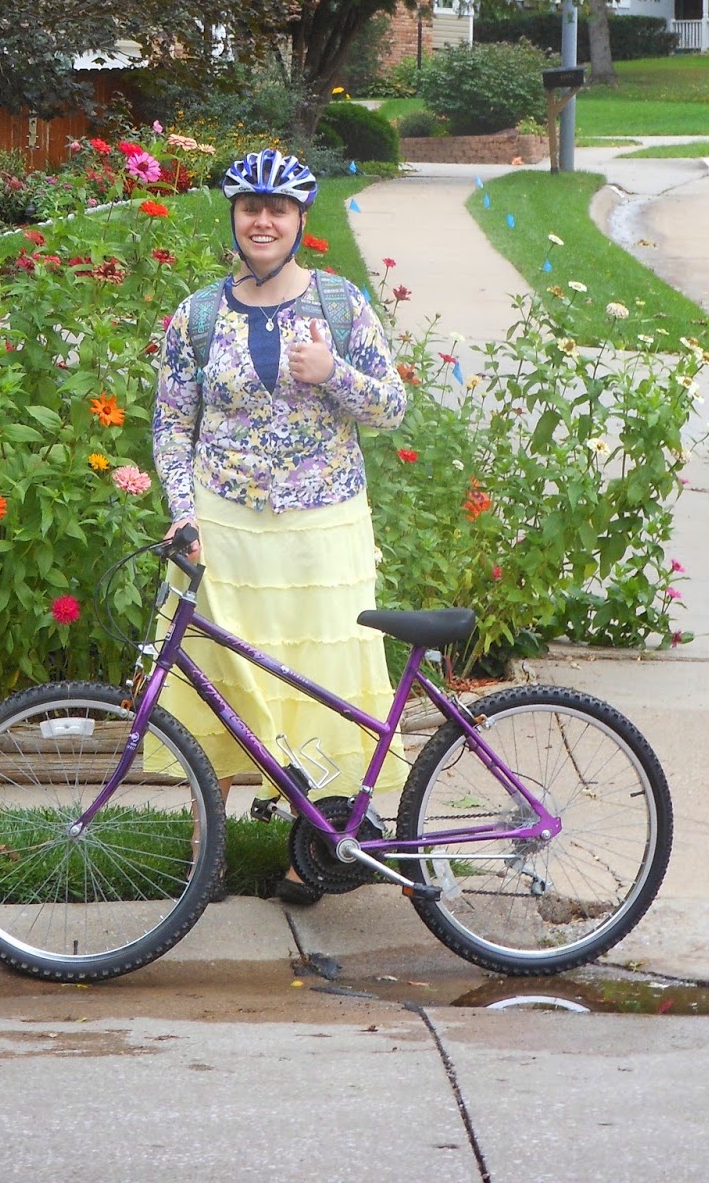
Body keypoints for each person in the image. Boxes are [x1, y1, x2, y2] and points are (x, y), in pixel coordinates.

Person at [152, 147, 408, 904]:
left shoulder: (341, 305)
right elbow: (171, 423)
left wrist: (334, 375)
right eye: (249, 209)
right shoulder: (198, 315)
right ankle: (207, 851)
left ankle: (317, 848)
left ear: (299, 220)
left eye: (278, 210)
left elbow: (392, 409)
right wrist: (183, 513)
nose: (262, 222)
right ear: (233, 218)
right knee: (215, 682)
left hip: (321, 532)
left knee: (323, 681)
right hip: (223, 528)